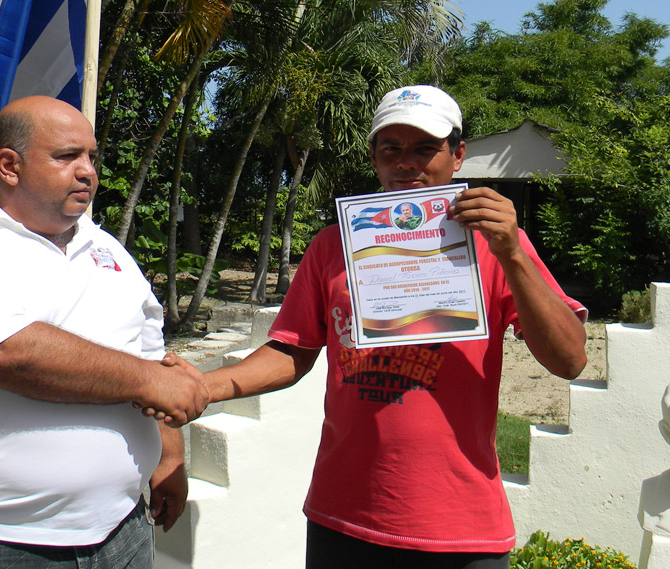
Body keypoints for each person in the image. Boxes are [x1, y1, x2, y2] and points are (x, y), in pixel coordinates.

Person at [169, 85, 588, 568]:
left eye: (425, 148)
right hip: (343, 516)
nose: (406, 163)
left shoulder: (496, 248)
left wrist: (512, 252)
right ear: (374, 158)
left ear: (458, 156)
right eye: (392, 149)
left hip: (459, 525)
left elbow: (571, 359)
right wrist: (204, 385)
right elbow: (293, 350)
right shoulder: (334, 246)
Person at [0, 96, 209, 569]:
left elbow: (150, 350)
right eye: (67, 156)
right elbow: (7, 353)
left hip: (122, 531)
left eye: (93, 158)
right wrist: (149, 381)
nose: (88, 172)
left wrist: (168, 458)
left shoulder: (108, 249)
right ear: (10, 166)